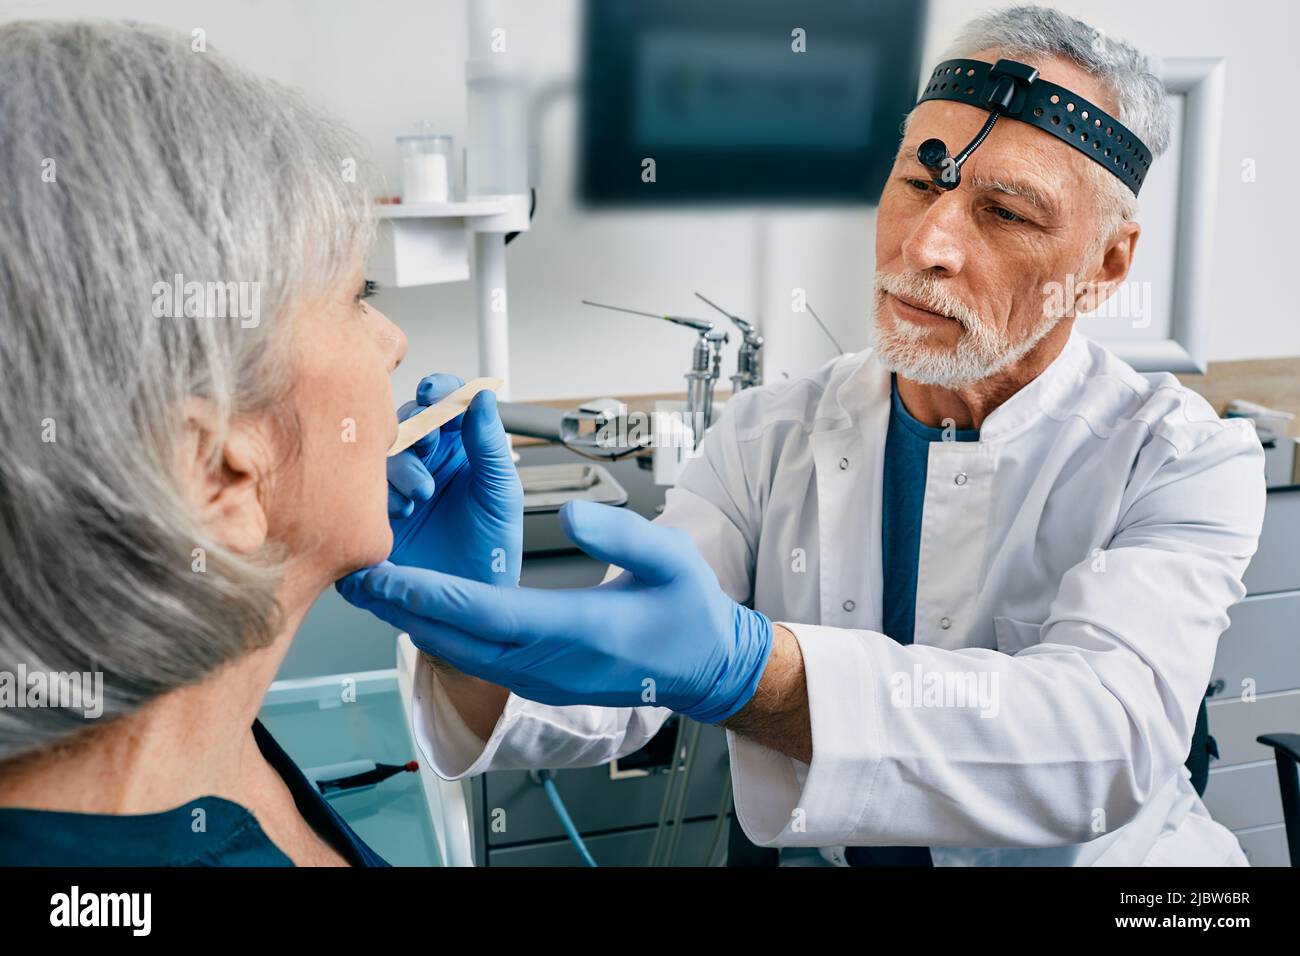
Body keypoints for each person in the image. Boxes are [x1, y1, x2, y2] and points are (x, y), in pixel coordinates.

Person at [342, 7, 1268, 866]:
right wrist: (468, 633)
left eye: (1005, 212)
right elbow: (620, 683)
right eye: (919, 181)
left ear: (1107, 265)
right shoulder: (766, 435)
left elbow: (1102, 747)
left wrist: (755, 675)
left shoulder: (1181, 459)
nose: (928, 244)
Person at [0, 20, 520, 866]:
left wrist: (478, 650)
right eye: (359, 295)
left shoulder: (203, 752)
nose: (392, 343)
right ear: (218, 473)